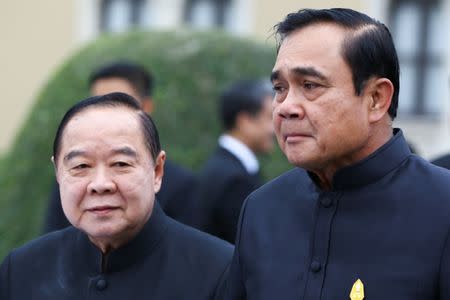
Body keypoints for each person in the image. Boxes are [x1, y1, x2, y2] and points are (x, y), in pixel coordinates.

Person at [220, 8, 450, 299]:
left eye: (310, 86)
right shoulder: (261, 209)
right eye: (280, 88)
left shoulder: (443, 208)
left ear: (376, 99)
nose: (285, 107)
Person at [1, 93, 232, 299]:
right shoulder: (21, 270)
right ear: (58, 173)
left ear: (157, 171)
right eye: (81, 166)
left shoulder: (220, 269)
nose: (100, 184)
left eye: (120, 163)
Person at [43, 61, 196, 232]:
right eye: (97, 103)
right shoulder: (72, 178)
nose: (100, 184)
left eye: (121, 164)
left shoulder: (181, 185)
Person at [194, 79, 274, 243]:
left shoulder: (222, 167)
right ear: (244, 121)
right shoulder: (234, 180)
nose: (274, 128)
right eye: (269, 117)